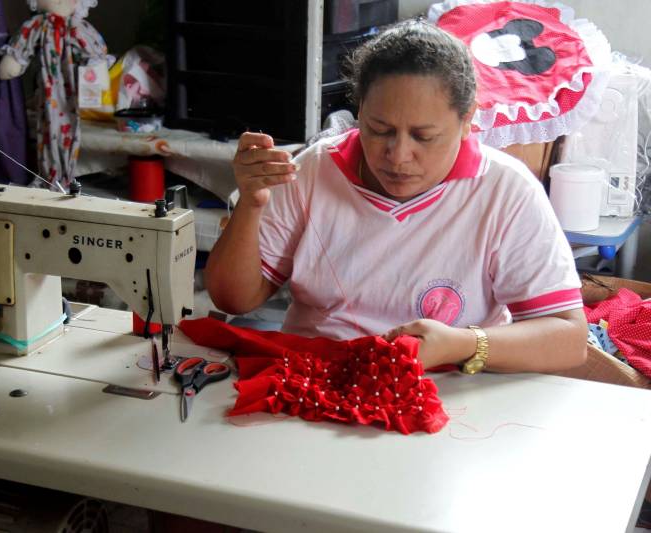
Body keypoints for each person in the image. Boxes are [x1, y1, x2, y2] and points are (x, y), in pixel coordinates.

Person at [205, 19, 588, 373]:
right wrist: (251, 206)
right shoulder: (314, 171)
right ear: (359, 111)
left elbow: (568, 339)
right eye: (379, 129)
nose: (398, 155)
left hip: (451, 390)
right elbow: (233, 300)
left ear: (467, 119)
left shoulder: (505, 191)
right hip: (321, 375)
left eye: (424, 136)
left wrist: (463, 344)